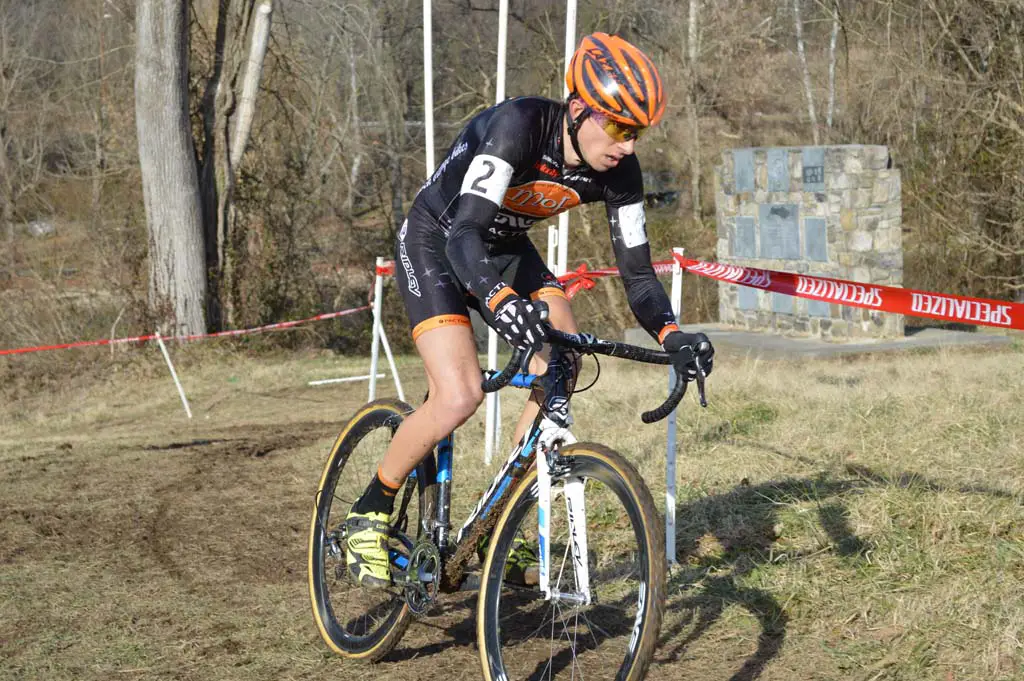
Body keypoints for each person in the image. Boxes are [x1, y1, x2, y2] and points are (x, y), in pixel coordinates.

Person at [344, 32, 715, 587]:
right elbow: (464, 234)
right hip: (439, 240)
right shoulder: (518, 127)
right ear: (579, 108)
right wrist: (500, 301)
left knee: (563, 357)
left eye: (636, 132)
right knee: (461, 393)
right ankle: (367, 513)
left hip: (506, 250)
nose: (627, 145)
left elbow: (638, 276)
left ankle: (499, 525)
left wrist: (671, 334)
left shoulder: (620, 173)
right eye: (617, 127)